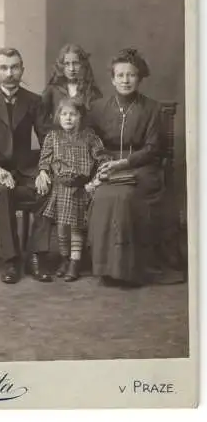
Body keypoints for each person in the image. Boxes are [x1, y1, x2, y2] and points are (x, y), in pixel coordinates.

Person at [0, 47, 52, 284]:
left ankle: (37, 256)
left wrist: (44, 170)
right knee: (4, 191)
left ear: (22, 70)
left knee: (47, 190)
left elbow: (48, 139)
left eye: (14, 67)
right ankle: (12, 260)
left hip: (24, 169)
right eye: (4, 68)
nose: (9, 73)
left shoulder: (34, 100)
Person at [87, 48, 164, 288]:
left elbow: (153, 149)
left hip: (142, 167)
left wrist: (125, 162)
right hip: (107, 165)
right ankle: (104, 268)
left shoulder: (152, 108)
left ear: (139, 78)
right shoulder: (99, 107)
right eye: (120, 75)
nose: (125, 80)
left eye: (131, 75)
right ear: (112, 79)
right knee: (102, 195)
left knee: (125, 196)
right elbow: (91, 141)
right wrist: (102, 163)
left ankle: (127, 270)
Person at [36, 98, 109, 282]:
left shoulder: (89, 137)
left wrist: (96, 180)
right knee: (62, 226)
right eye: (64, 114)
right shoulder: (52, 137)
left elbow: (102, 158)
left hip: (80, 187)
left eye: (73, 114)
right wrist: (43, 172)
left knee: (76, 225)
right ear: (58, 117)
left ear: (80, 117)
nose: (68, 118)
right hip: (60, 187)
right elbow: (45, 159)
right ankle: (64, 258)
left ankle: (75, 262)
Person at [41, 43, 102, 127]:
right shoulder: (52, 90)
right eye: (67, 64)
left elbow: (98, 123)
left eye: (75, 63)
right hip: (59, 138)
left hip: (85, 138)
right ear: (61, 66)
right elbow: (42, 123)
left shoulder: (92, 91)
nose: (71, 68)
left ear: (83, 64)